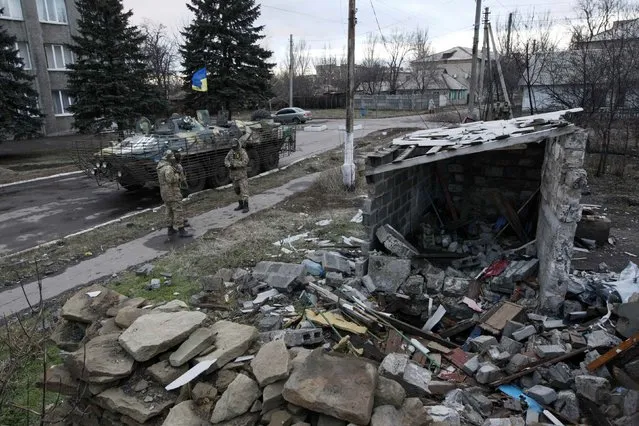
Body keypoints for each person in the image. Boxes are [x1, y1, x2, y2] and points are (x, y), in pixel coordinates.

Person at [157, 150, 192, 239]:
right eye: (172, 156)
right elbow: (170, 179)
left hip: (164, 192)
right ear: (169, 158)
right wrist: (178, 174)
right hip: (172, 191)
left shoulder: (160, 166)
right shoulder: (168, 168)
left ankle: (170, 229)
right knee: (177, 210)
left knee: (169, 210)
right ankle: (181, 230)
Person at [224, 138, 250, 213]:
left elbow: (245, 161)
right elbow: (226, 160)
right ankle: (240, 204)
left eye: (235, 146)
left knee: (244, 191)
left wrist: (235, 165)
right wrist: (229, 165)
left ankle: (246, 206)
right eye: (233, 147)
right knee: (237, 191)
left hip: (241, 175)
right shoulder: (231, 152)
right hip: (234, 176)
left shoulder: (242, 152)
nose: (234, 148)